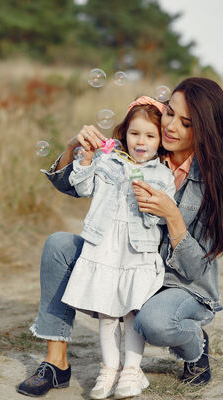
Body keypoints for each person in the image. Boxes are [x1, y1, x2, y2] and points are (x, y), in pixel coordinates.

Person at [16, 77, 223, 398]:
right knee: (59, 245)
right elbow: (70, 185)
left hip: (180, 283)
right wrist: (74, 148)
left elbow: (197, 268)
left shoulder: (213, 182)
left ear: (206, 130)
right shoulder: (138, 149)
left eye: (186, 123)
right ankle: (56, 364)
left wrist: (172, 215)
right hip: (124, 260)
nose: (170, 127)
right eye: (169, 113)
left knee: (153, 323)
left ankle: (194, 347)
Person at [60, 99, 176, 399]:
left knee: (131, 313)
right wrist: (85, 160)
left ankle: (131, 371)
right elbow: (83, 188)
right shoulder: (108, 161)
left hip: (138, 251)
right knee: (108, 312)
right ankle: (109, 368)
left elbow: (158, 219)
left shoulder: (163, 176)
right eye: (135, 134)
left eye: (150, 136)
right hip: (104, 247)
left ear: (160, 141)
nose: (141, 142)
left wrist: (148, 202)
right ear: (124, 134)